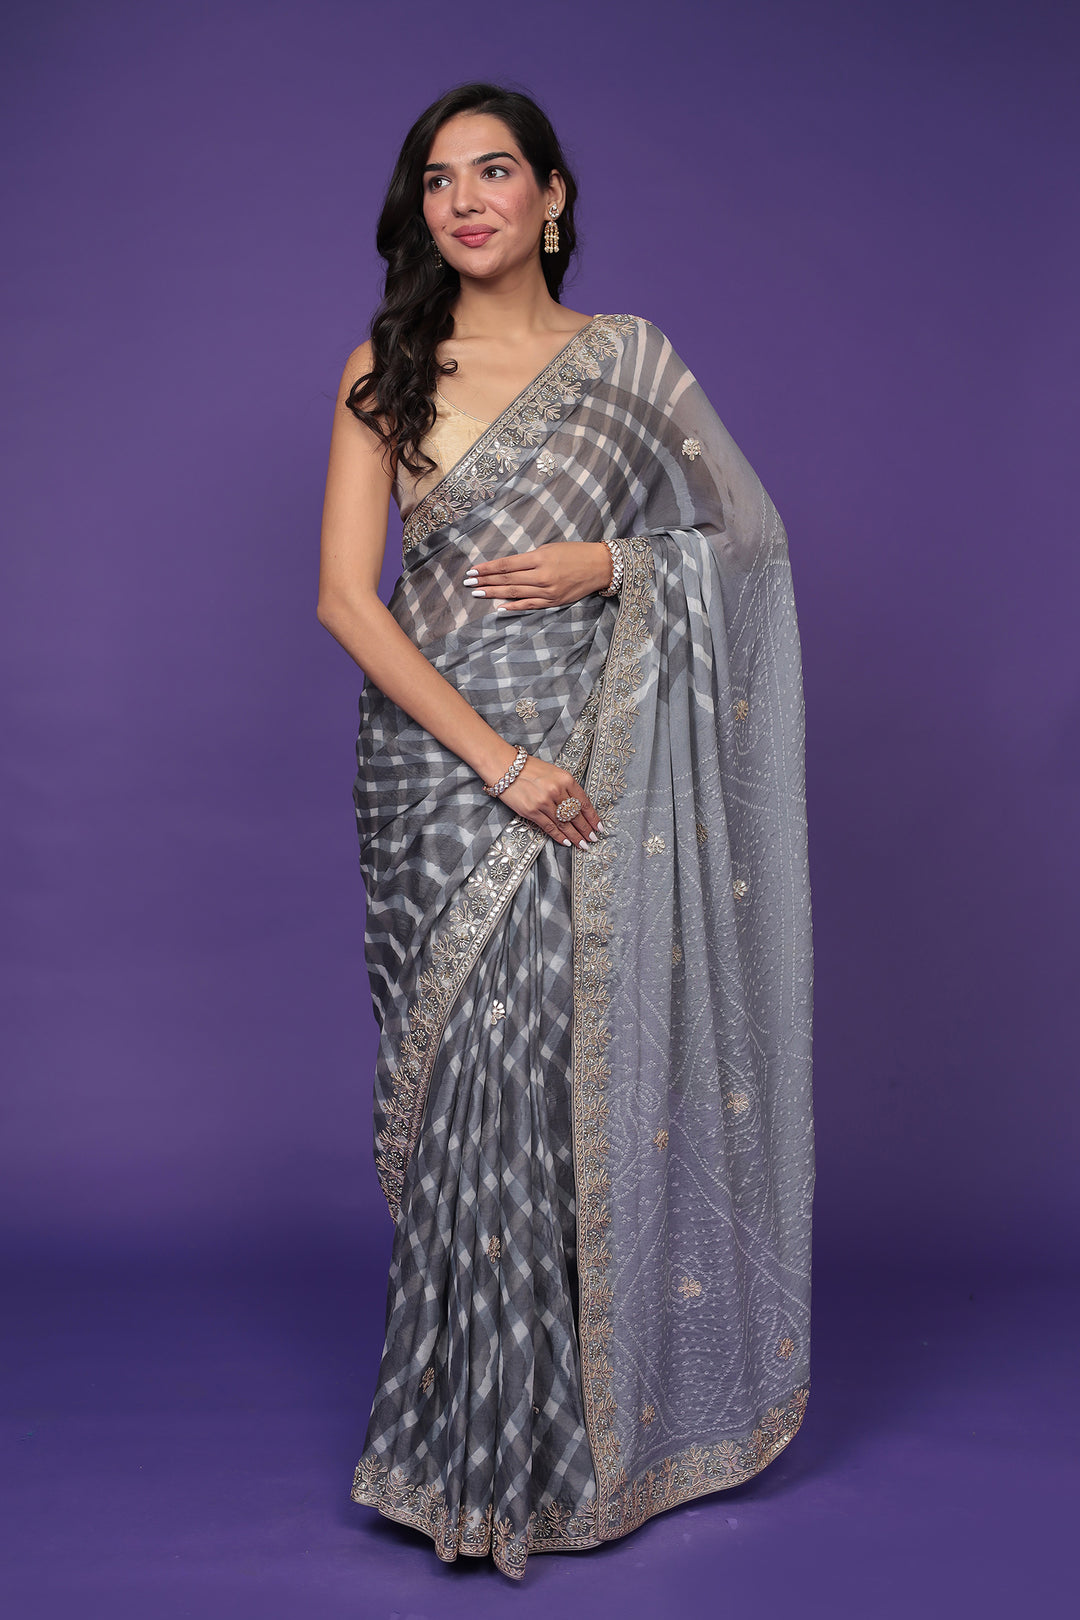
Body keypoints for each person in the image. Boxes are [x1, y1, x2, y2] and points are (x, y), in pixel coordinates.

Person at [317, 82, 814, 1582]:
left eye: (494, 171)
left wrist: (614, 560)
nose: (465, 199)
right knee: (464, 1088)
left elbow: (746, 545)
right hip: (439, 770)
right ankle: (453, 1446)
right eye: (438, 179)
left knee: (552, 1076)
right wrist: (499, 763)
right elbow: (347, 600)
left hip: (594, 760)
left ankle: (559, 1447)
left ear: (552, 196)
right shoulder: (385, 367)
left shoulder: (628, 362)